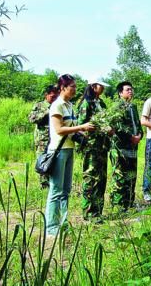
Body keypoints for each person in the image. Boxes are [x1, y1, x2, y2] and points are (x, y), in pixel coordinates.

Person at [45, 74, 94, 237]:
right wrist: (82, 126)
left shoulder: (69, 106)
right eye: (71, 86)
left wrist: (83, 133)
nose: (74, 89)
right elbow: (59, 129)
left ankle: (63, 223)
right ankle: (51, 227)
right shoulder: (57, 105)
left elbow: (72, 130)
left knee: (66, 190)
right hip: (58, 151)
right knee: (56, 189)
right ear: (62, 88)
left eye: (75, 86)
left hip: (69, 149)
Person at [76, 79, 110, 221]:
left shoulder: (101, 103)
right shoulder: (86, 103)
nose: (102, 88)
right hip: (91, 146)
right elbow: (81, 126)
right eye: (100, 85)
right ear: (93, 86)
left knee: (101, 178)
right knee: (90, 178)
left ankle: (98, 211)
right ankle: (88, 212)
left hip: (102, 146)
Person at [110, 81, 143, 211]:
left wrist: (139, 135)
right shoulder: (117, 107)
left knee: (131, 174)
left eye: (131, 89)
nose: (130, 91)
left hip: (133, 146)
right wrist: (131, 137)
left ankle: (129, 202)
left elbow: (138, 123)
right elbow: (117, 127)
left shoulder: (133, 106)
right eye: (127, 90)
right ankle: (118, 204)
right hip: (120, 146)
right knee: (120, 175)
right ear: (120, 93)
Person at [28, 85, 59, 188]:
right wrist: (46, 113)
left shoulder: (59, 105)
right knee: (43, 161)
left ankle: (53, 183)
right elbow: (31, 119)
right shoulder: (39, 105)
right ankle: (44, 185)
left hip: (55, 139)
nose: (54, 99)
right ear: (46, 95)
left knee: (55, 161)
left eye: (56, 97)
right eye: (52, 97)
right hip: (42, 140)